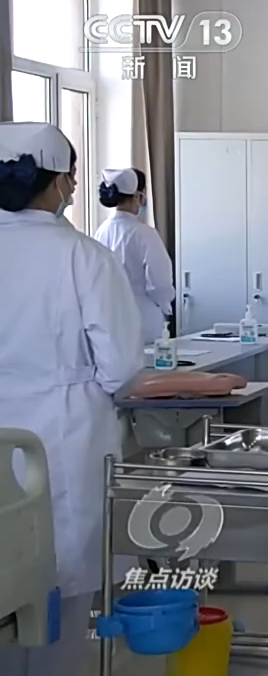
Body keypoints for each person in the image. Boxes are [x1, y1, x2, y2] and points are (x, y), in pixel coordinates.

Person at [0, 123, 144, 674]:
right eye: (72, 176)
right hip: (64, 434)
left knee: (6, 576)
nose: (76, 186)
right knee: (62, 580)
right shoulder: (83, 257)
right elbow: (122, 368)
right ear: (56, 181)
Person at [93, 168, 176, 344]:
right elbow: (160, 283)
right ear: (138, 196)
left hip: (111, 319)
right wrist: (165, 304)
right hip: (143, 318)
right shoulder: (145, 234)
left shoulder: (101, 232)